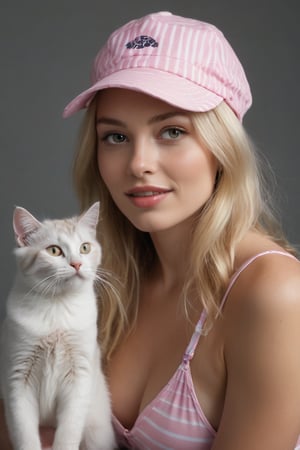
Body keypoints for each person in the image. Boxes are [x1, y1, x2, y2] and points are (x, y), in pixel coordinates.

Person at [1, 10, 300, 450]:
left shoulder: (273, 293)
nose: (139, 163)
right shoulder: (105, 274)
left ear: (222, 146)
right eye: (116, 137)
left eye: (172, 131)